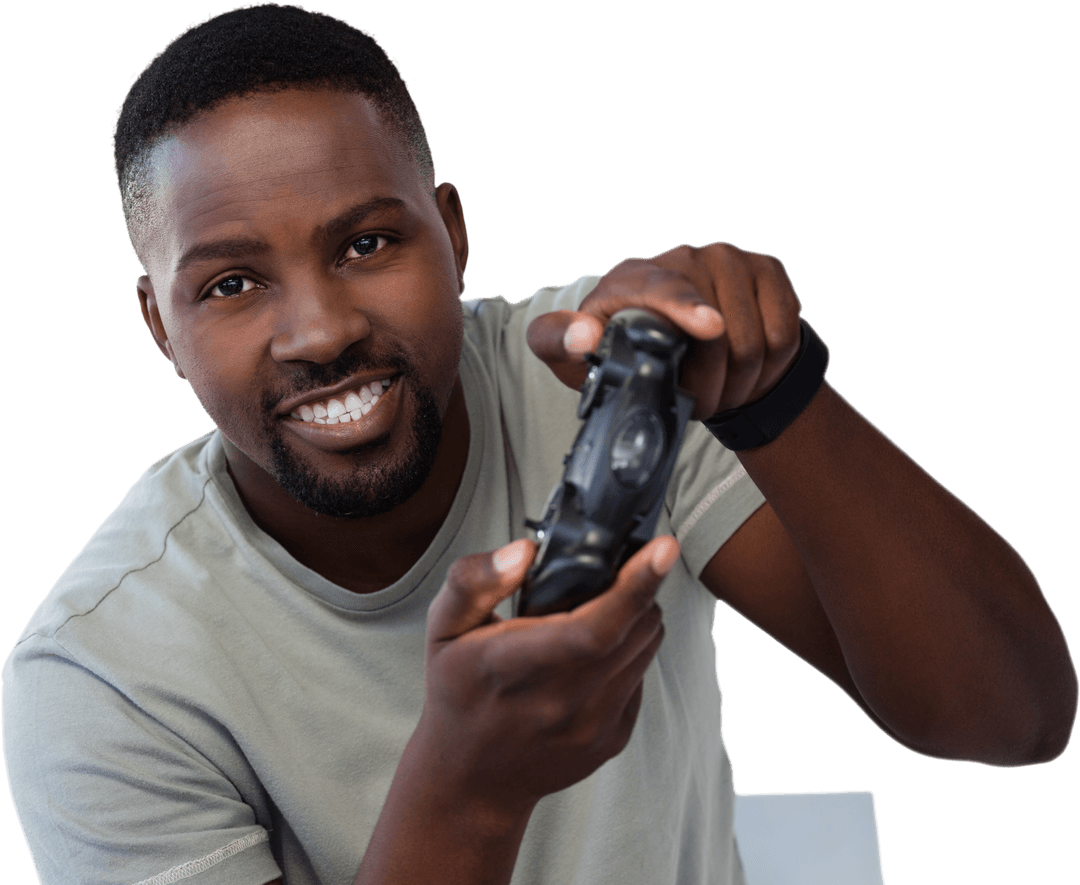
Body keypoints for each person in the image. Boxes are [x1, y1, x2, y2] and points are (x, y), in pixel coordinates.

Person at [2, 4, 1076, 885]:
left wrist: (776, 398)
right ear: (159, 326)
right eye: (231, 284)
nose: (321, 330)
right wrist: (468, 785)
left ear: (453, 234)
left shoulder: (607, 377)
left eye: (370, 242)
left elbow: (1013, 719)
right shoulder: (99, 677)